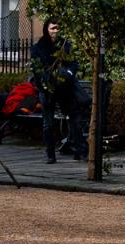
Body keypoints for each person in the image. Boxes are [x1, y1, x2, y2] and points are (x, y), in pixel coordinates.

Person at [30, 20, 87, 163]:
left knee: (74, 118)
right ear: (46, 29)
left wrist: (68, 73)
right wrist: (45, 82)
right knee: (48, 123)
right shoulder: (38, 47)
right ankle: (50, 154)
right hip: (47, 89)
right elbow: (36, 68)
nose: (56, 31)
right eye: (53, 28)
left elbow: (73, 64)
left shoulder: (65, 45)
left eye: (58, 28)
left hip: (64, 88)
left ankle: (79, 150)